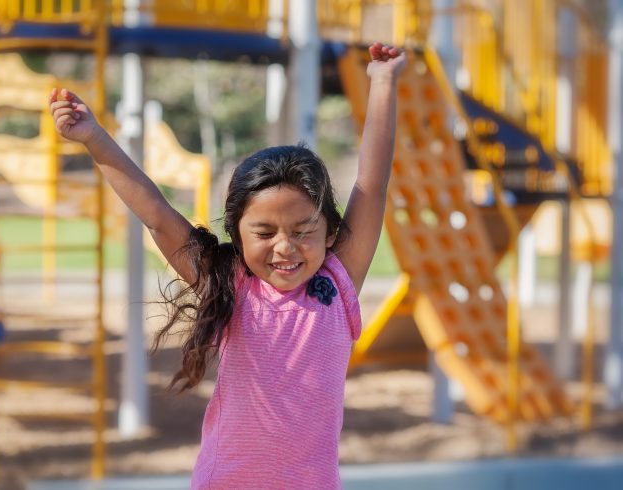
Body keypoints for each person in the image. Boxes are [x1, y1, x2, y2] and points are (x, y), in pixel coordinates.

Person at [49, 41, 406, 490]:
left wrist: (383, 82)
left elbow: (371, 184)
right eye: (264, 233)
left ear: (331, 233)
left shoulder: (338, 282)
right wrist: (94, 138)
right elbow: (157, 215)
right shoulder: (230, 283)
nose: (284, 248)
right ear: (236, 235)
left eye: (301, 231)